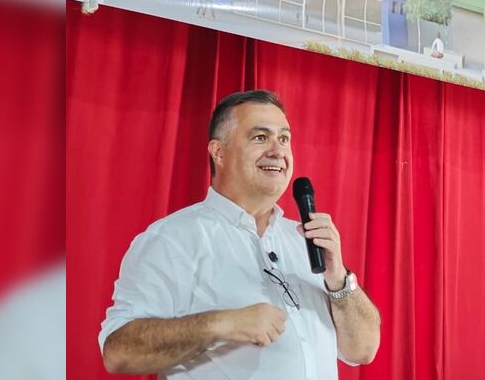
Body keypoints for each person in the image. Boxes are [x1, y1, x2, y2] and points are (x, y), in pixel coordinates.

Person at [99, 90, 381, 379]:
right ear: (219, 152)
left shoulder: (304, 240)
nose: (277, 151)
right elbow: (119, 353)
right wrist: (222, 324)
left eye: (284, 139)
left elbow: (362, 350)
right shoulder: (174, 238)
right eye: (260, 137)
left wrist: (339, 280)